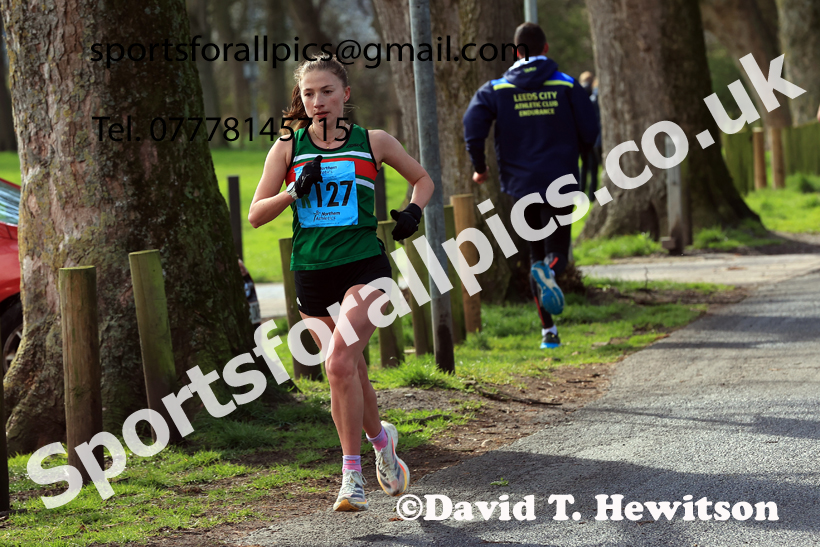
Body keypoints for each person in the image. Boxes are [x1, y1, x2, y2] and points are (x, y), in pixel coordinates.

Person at [248, 56, 435, 512]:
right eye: (309, 94)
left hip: (363, 267)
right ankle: (382, 443)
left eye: (327, 91)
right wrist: (294, 191)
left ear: (345, 95)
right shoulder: (288, 149)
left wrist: (413, 211)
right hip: (312, 274)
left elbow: (423, 179)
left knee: (336, 365)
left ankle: (351, 477)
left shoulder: (373, 141)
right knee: (350, 371)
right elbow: (255, 215)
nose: (317, 101)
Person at [462, 22, 598, 349]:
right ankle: (550, 272)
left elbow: (472, 124)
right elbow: (591, 129)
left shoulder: (496, 88)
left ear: (515, 52)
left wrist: (479, 167)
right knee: (556, 255)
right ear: (546, 49)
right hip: (560, 180)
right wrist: (576, 152)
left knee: (535, 255)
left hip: (520, 187)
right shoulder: (565, 84)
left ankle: (548, 333)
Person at [578, 71, 602, 201]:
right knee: (594, 168)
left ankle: (581, 194)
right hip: (596, 138)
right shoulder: (594, 96)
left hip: (583, 138)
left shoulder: (578, 93)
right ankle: (592, 196)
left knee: (584, 167)